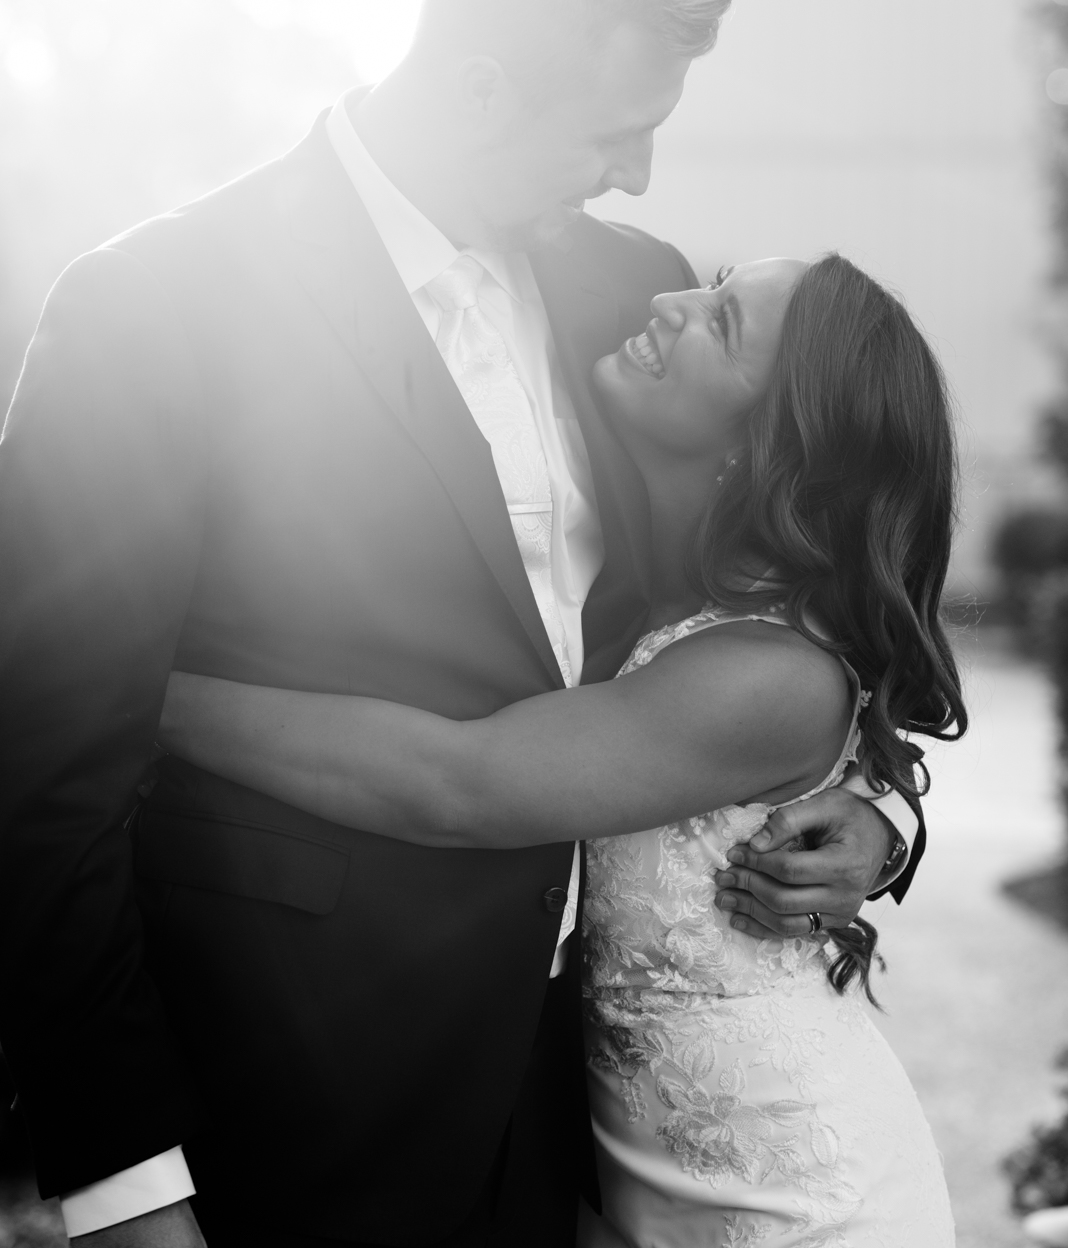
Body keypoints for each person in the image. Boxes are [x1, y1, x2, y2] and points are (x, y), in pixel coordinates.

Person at [0, 0, 922, 1248]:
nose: (639, 174)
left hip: (573, 1134)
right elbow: (40, 784)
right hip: (284, 1115)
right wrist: (129, 1190)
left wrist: (876, 819)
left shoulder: (632, 292)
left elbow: (792, 592)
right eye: (618, 130)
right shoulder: (157, 309)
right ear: (483, 88)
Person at [160, 253, 964, 1246]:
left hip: (789, 1201)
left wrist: (131, 688)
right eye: (710, 286)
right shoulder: (663, 578)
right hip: (622, 1187)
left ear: (767, 442)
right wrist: (878, 826)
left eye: (720, 323)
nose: (668, 304)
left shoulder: (767, 672)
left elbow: (453, 781)